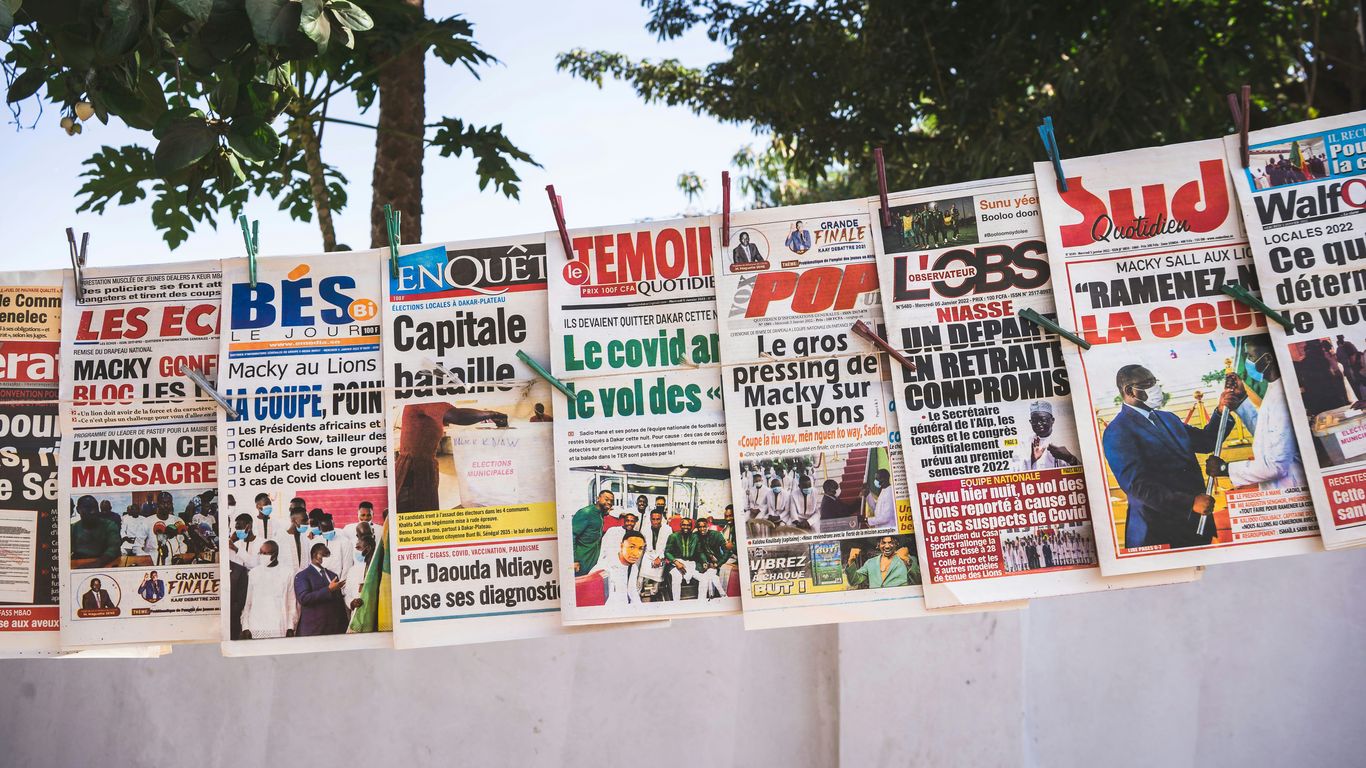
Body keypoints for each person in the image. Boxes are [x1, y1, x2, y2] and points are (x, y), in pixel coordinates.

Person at [1102, 364, 1236, 550]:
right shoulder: (1117, 431)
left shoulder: (1168, 418)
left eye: (1154, 382)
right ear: (1129, 391)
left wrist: (1221, 411)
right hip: (1158, 532)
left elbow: (1206, 441)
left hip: (1196, 524)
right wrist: (1189, 503)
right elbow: (1137, 485)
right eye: (1147, 383)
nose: (1155, 388)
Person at [1205, 339, 1307, 488]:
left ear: (1267, 359)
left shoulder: (1283, 398)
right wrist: (1242, 400)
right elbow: (1267, 434)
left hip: (1291, 487)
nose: (1247, 362)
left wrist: (1225, 469)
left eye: (1250, 356)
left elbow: (1276, 466)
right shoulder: (1274, 389)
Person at [395, 402, 509, 512]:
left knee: (425, 511)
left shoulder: (428, 403)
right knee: (414, 513)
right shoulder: (424, 399)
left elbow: (452, 417)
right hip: (413, 468)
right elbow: (457, 416)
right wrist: (492, 414)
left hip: (424, 466)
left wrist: (485, 417)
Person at [241, 541, 296, 639]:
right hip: (256, 626)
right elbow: (248, 602)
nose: (262, 556)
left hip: (279, 627)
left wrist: (290, 627)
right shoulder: (254, 573)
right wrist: (245, 627)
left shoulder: (287, 573)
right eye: (260, 553)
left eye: (265, 553)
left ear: (275, 554)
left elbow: (291, 602)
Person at [294, 542, 349, 636]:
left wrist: (345, 626)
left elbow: (339, 603)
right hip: (314, 630)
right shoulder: (302, 576)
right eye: (325, 555)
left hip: (334, 630)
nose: (328, 557)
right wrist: (328, 589)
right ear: (315, 555)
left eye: (329, 555)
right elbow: (304, 599)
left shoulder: (333, 575)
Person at [1014, 401, 1080, 469]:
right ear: (1030, 422)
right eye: (1034, 420)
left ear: (1052, 420)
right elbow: (1016, 471)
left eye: (1043, 420)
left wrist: (1070, 458)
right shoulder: (1023, 444)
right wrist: (1032, 460)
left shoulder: (1067, 441)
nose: (1038, 424)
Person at [844, 536, 918, 588]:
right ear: (878, 545)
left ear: (896, 544)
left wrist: (907, 560)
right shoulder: (870, 562)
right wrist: (851, 561)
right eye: (883, 543)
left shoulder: (907, 559)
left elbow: (918, 581)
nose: (887, 546)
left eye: (891, 542)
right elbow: (854, 581)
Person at [571, 489, 615, 576]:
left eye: (611, 501)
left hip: (592, 560)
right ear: (598, 498)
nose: (609, 502)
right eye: (606, 499)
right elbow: (571, 535)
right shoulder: (586, 513)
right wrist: (573, 560)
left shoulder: (600, 514)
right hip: (581, 560)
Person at [71, 494, 120, 568]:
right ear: (78, 510)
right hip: (79, 564)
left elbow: (114, 549)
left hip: (106, 563)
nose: (93, 511)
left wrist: (96, 564)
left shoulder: (109, 525)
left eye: (95, 508)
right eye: (88, 508)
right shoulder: (73, 528)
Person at [599, 530, 646, 606]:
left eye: (640, 548)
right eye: (632, 547)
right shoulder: (604, 567)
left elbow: (632, 591)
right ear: (621, 546)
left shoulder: (634, 568)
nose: (636, 553)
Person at [693, 515, 728, 601]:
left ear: (708, 526)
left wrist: (717, 564)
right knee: (708, 577)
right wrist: (705, 563)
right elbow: (698, 552)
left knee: (710, 574)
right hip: (701, 563)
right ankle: (723, 595)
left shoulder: (716, 535)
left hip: (715, 562)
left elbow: (727, 551)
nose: (702, 529)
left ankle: (702, 601)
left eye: (704, 526)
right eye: (699, 527)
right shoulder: (695, 535)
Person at [344, 529, 377, 617]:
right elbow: (347, 594)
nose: (355, 551)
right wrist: (352, 602)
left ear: (368, 548)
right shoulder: (352, 570)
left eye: (358, 548)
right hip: (357, 616)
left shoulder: (376, 569)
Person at [639, 508, 672, 595]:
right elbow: (644, 545)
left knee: (657, 578)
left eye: (658, 519)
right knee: (641, 575)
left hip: (661, 555)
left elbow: (667, 547)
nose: (655, 522)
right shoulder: (645, 529)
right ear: (650, 519)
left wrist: (660, 558)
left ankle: (654, 593)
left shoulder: (668, 529)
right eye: (653, 519)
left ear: (661, 519)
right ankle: (638, 592)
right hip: (648, 555)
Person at [273, 506, 313, 573]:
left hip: (303, 580)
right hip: (285, 580)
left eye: (307, 520)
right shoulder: (279, 539)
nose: (307, 523)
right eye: (304, 520)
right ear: (293, 521)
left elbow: (309, 562)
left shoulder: (306, 539)